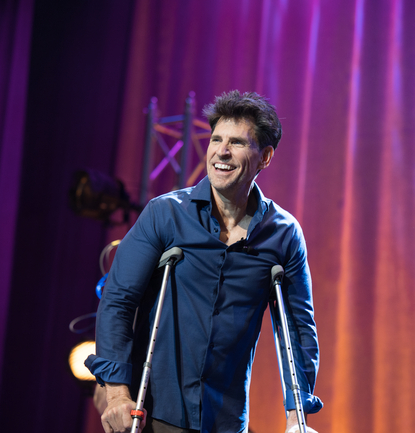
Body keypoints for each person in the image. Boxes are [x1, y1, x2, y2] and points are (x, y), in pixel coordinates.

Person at [86, 90, 322, 433]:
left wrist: (297, 417)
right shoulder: (165, 214)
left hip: (226, 421)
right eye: (216, 139)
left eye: (236, 143)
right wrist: (117, 394)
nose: (221, 152)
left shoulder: (283, 235)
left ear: (265, 157)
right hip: (153, 413)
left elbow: (298, 331)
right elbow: (118, 301)